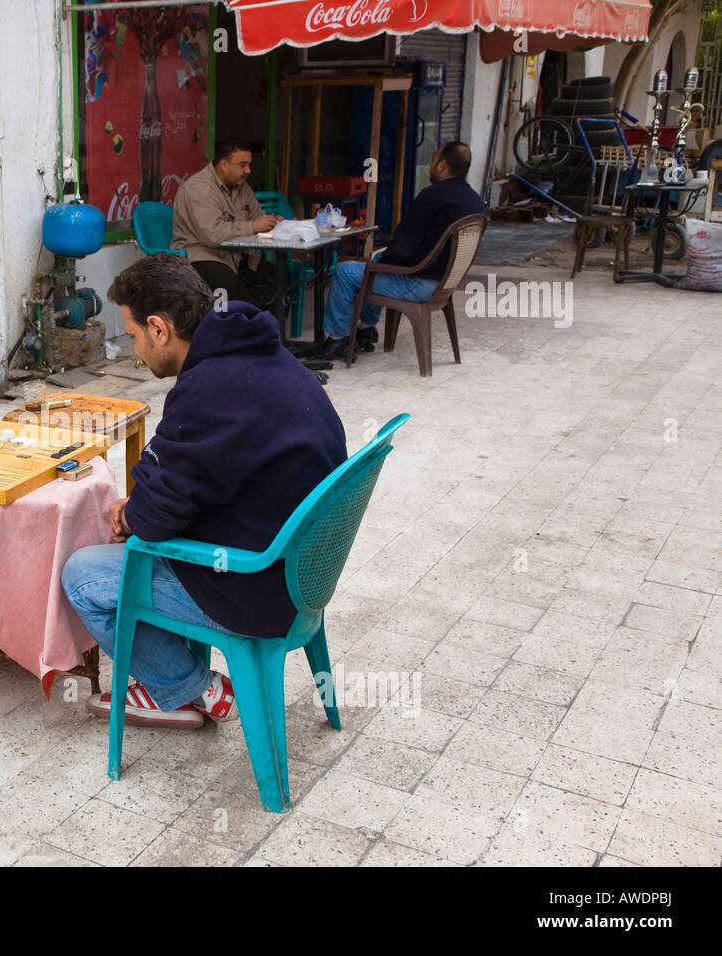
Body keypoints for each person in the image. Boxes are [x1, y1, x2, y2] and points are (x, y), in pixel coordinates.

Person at [60, 254, 347, 728]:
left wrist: (131, 515)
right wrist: (149, 500)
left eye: (133, 335)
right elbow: (196, 472)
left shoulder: (208, 389)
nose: (136, 351)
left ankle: (188, 689)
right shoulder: (260, 352)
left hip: (258, 585)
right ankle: (182, 676)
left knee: (84, 577)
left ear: (159, 328)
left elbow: (155, 518)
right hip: (305, 570)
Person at [304, 141, 487, 362]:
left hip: (419, 284)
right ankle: (366, 329)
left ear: (442, 165)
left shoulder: (433, 196)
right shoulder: (475, 200)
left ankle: (338, 337)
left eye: (433, 160)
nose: (431, 165)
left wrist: (380, 263)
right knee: (377, 259)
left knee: (345, 271)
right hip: (444, 282)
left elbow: (403, 248)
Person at [171, 141, 283, 309]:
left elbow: (258, 217)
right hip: (203, 256)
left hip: (237, 256)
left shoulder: (243, 187)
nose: (248, 171)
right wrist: (253, 226)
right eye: (242, 165)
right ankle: (242, 331)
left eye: (249, 165)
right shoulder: (198, 189)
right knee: (230, 287)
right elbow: (213, 234)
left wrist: (273, 223)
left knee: (275, 277)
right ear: (224, 165)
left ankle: (271, 332)